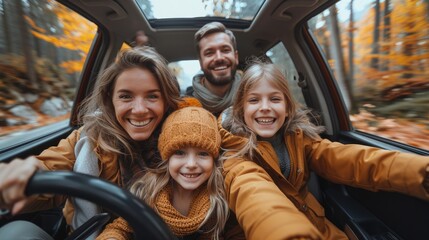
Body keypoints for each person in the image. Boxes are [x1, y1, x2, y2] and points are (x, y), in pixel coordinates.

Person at [0, 46, 200, 239]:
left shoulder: (185, 137)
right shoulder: (88, 140)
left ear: (166, 101)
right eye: (126, 96)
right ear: (110, 99)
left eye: (152, 96)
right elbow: (50, 166)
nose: (139, 109)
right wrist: (26, 174)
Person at [219, 60, 429, 239]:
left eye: (275, 99)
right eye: (254, 100)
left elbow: (350, 159)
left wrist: (420, 173)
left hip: (318, 225)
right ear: (241, 109)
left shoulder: (300, 139)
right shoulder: (235, 156)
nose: (265, 107)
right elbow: (256, 197)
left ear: (287, 107)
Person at [97, 106, 229, 240]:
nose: (191, 164)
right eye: (179, 153)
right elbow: (120, 228)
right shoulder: (149, 192)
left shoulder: (218, 201)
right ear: (167, 158)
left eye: (203, 154)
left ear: (214, 160)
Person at [135, 22, 241, 117]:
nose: (219, 58)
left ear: (236, 57)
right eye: (209, 53)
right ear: (200, 62)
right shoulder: (184, 106)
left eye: (225, 50)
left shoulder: (252, 98)